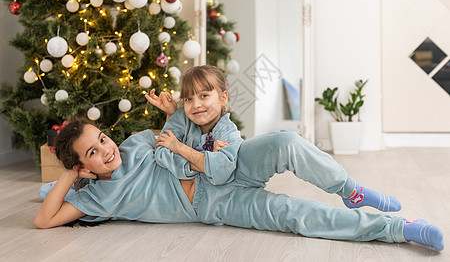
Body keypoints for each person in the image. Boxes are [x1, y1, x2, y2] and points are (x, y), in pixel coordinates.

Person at [33, 66, 444, 251]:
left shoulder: (138, 142)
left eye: (102, 137)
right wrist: (66, 180)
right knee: (295, 215)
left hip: (234, 162)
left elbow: (180, 129)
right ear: (82, 167)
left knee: (285, 139)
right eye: (93, 153)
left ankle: (351, 190)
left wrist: (173, 111)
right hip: (215, 202)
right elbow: (44, 220)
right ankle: (398, 228)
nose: (107, 149)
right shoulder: (95, 199)